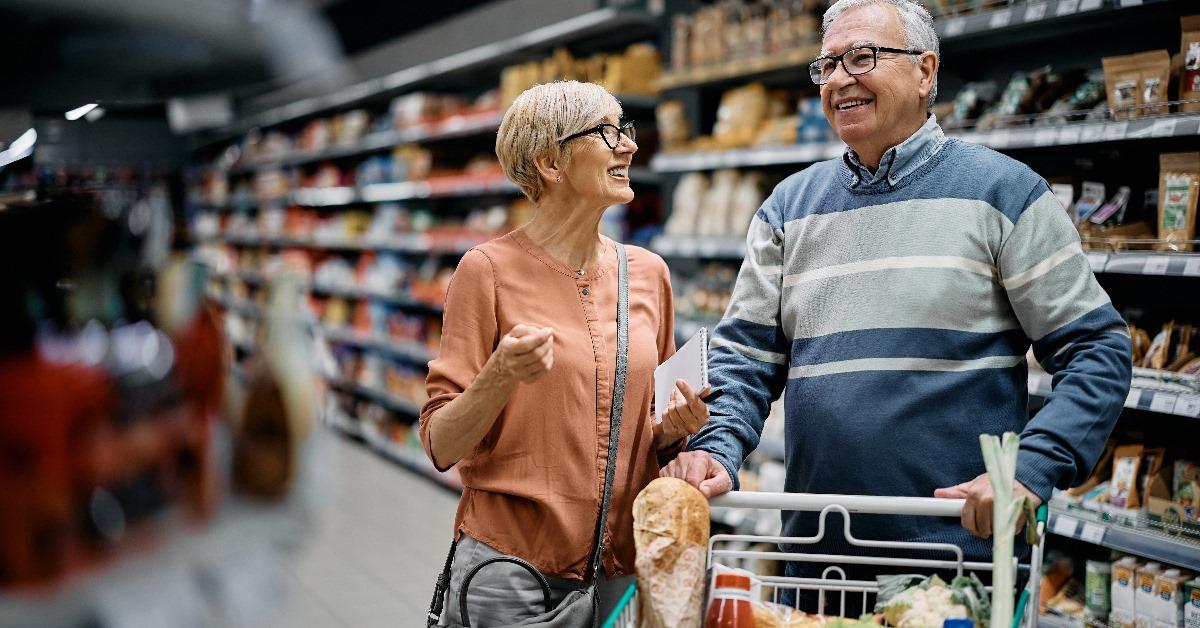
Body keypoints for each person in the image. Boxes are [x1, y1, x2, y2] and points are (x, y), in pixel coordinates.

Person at [664, 0, 1132, 609]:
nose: (839, 78)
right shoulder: (788, 207)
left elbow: (1097, 348)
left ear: (925, 71)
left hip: (956, 565)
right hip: (817, 561)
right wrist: (716, 446)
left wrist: (1030, 470)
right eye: (828, 63)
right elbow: (744, 358)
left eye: (863, 57)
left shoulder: (1005, 193)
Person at [420, 80, 711, 625]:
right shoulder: (486, 272)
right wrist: (500, 374)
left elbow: (654, 426)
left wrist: (675, 427)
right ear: (551, 163)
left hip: (620, 572)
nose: (629, 145)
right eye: (608, 132)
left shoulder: (649, 275)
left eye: (625, 129)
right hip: (512, 574)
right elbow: (440, 444)